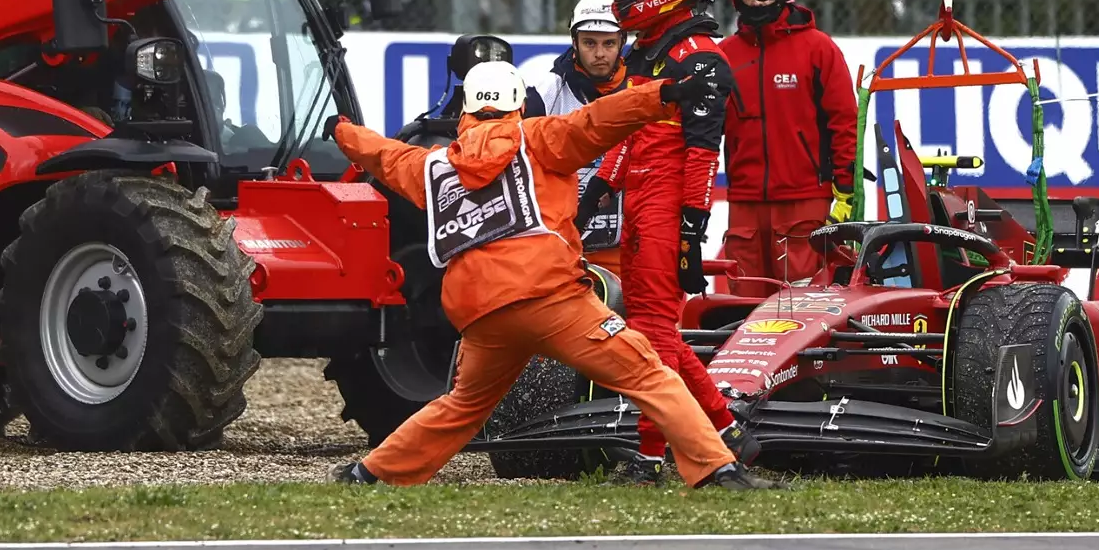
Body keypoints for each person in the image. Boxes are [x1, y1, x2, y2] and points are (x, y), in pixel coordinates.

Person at [323, 58, 777, 491]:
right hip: (551, 299)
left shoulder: (433, 166)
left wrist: (343, 132)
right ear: (519, 103)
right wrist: (667, 94)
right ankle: (717, 468)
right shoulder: (541, 138)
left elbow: (382, 153)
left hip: (482, 315)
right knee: (647, 374)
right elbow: (600, 118)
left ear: (464, 109)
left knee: (461, 406)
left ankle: (369, 473)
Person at [574, 0, 757, 486]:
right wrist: (599, 192)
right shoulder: (656, 53)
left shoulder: (699, 59)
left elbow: (703, 156)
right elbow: (633, 136)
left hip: (665, 209)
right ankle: (726, 429)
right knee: (661, 332)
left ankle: (651, 456)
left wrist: (688, 231)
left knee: (653, 332)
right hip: (640, 205)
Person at [718, 0, 858, 289]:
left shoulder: (818, 48)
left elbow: (845, 123)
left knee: (803, 308)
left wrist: (846, 192)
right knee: (741, 306)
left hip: (805, 203)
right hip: (744, 206)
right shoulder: (722, 57)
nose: (759, 0)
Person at [524, 0, 629, 276]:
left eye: (608, 43)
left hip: (626, 244)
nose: (599, 54)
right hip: (565, 245)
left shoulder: (640, 88)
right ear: (574, 42)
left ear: (622, 42)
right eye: (589, 43)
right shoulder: (545, 90)